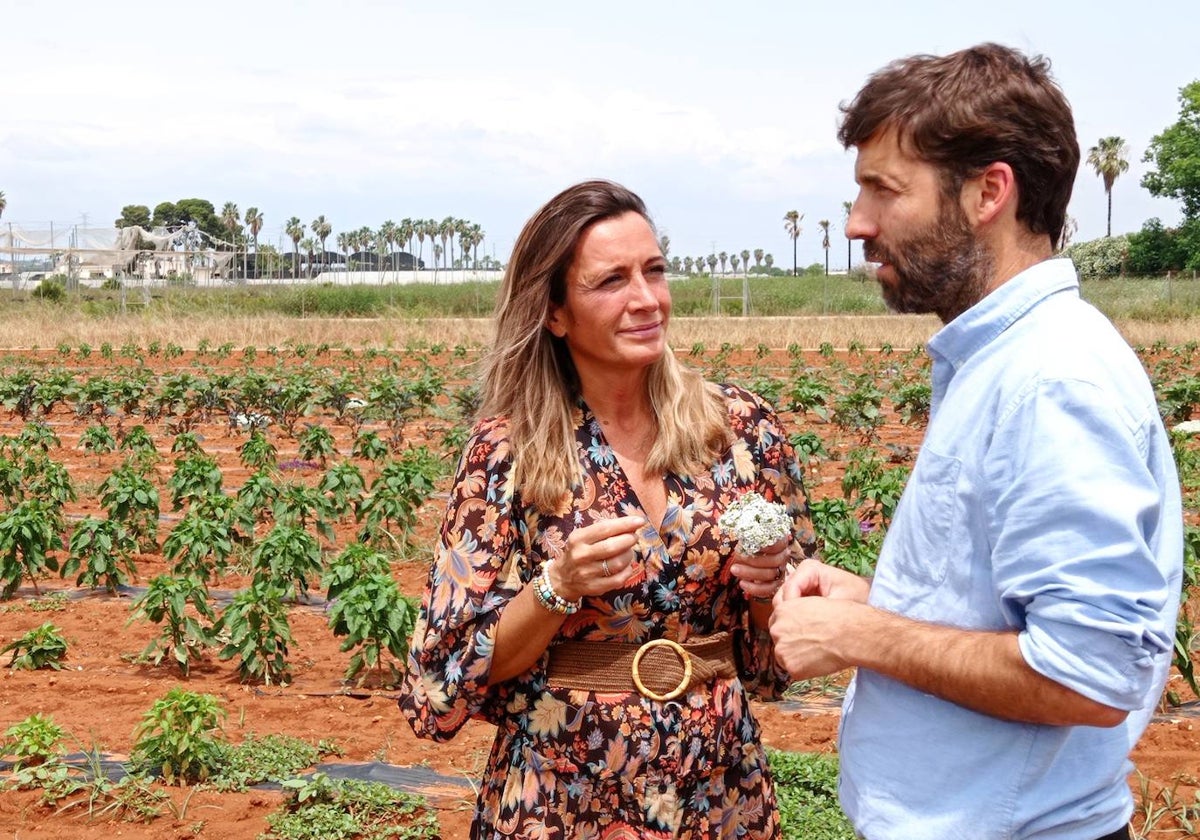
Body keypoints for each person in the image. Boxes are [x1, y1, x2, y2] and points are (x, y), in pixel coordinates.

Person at [768, 43, 1184, 840]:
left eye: (884, 190)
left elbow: (1086, 675)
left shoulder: (1051, 381)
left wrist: (862, 634)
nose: (858, 223)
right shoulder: (1000, 358)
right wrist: (880, 600)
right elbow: (1003, 607)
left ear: (990, 190)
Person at [399, 179, 814, 839]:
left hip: (717, 786)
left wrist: (768, 590)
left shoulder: (738, 428)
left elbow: (780, 654)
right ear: (556, 312)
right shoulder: (510, 450)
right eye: (611, 281)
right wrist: (556, 588)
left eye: (654, 271)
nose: (646, 299)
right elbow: (442, 673)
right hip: (566, 792)